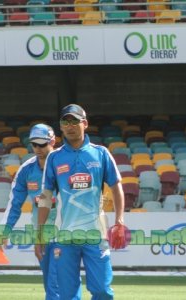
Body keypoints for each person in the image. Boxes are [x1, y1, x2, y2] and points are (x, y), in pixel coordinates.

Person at [37, 104, 126, 300]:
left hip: (96, 234)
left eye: (74, 121)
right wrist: (40, 233)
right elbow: (45, 197)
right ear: (61, 127)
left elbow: (116, 187)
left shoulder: (100, 153)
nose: (70, 126)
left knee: (102, 290)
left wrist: (119, 221)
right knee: (67, 295)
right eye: (65, 122)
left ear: (84, 123)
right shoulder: (54, 157)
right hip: (65, 236)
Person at [0, 124, 60, 299]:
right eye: (34, 144)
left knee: (57, 285)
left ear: (52, 141)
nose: (38, 149)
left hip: (66, 233)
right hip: (41, 235)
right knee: (50, 284)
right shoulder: (26, 170)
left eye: (42, 144)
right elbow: (14, 204)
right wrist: (4, 231)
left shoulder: (65, 164)